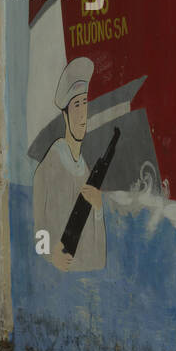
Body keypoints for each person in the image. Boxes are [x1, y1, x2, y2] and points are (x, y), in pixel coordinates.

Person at [33, 57, 106, 272]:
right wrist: (51, 255)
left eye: (85, 103)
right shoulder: (48, 168)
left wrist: (99, 209)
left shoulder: (86, 171)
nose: (82, 113)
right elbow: (39, 229)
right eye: (76, 105)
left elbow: (99, 259)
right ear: (65, 114)